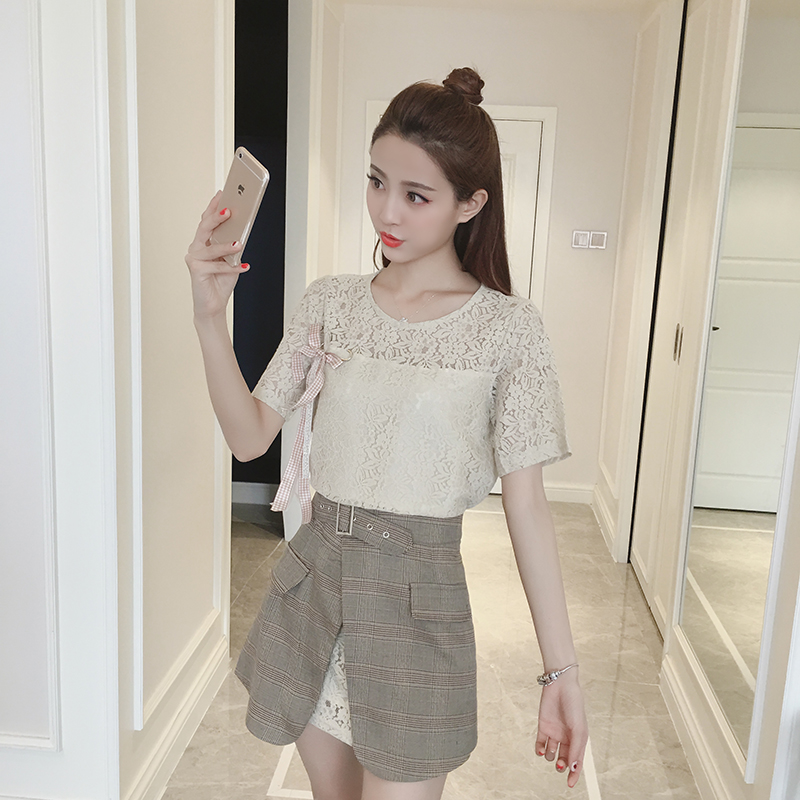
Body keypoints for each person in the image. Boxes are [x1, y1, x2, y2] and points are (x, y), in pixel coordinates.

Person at [184, 66, 589, 800]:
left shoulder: (508, 330)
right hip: (314, 596)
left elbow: (528, 506)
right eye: (376, 182)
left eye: (416, 195)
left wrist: (560, 669)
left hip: (416, 610)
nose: (386, 211)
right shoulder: (330, 303)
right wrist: (210, 316)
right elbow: (249, 439)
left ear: (471, 203)